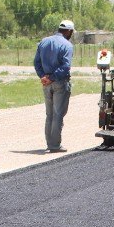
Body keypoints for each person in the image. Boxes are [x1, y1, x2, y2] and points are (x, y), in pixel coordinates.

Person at [34, 20, 75, 153]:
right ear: (69, 31)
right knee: (58, 114)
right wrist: (52, 78)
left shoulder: (44, 41)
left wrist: (43, 77)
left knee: (49, 114)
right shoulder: (67, 45)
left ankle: (50, 143)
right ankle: (54, 145)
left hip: (46, 83)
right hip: (60, 83)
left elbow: (37, 62)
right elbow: (65, 66)